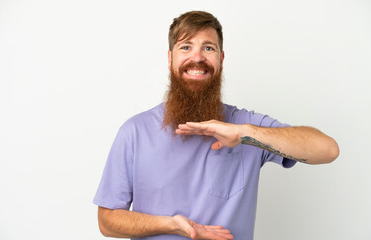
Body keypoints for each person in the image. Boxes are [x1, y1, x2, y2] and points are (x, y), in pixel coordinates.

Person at [93, 11, 339, 240]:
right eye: (186, 47)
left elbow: (328, 150)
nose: (197, 57)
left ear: (221, 59)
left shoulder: (247, 126)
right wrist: (172, 225)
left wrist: (244, 133)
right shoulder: (134, 131)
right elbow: (107, 221)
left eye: (208, 48)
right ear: (170, 58)